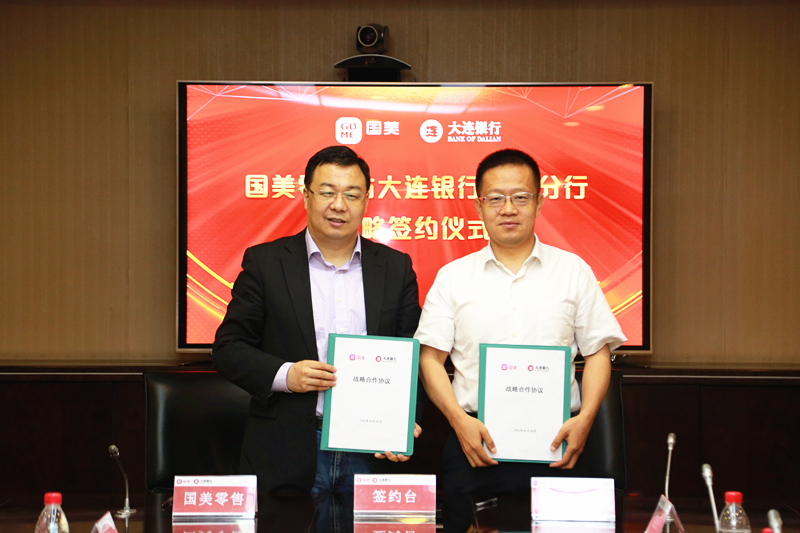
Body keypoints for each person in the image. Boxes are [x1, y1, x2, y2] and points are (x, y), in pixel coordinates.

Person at [415, 148, 626, 494]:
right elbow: (430, 359)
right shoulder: (453, 277)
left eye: (520, 197)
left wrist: (586, 419)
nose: (508, 209)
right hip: (474, 444)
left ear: (539, 203)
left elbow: (597, 354)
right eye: (496, 198)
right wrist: (458, 421)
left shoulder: (573, 271)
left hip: (559, 445)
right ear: (479, 206)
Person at [213, 146, 422, 495]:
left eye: (351, 195)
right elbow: (228, 348)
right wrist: (287, 375)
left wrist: (404, 420)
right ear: (306, 195)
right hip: (287, 447)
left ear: (366, 200)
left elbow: (413, 353)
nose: (339, 205)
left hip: (372, 447)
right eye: (327, 192)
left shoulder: (395, 267)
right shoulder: (266, 263)